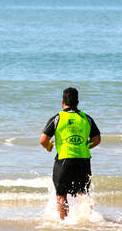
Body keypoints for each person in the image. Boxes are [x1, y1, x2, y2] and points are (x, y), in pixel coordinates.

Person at [40, 87, 101, 220]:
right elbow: (97, 140)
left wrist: (48, 147)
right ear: (77, 103)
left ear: (63, 102)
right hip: (83, 161)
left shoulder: (58, 118)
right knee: (83, 194)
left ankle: (64, 223)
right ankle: (89, 222)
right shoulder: (86, 118)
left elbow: (43, 140)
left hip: (64, 161)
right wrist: (84, 146)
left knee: (61, 196)